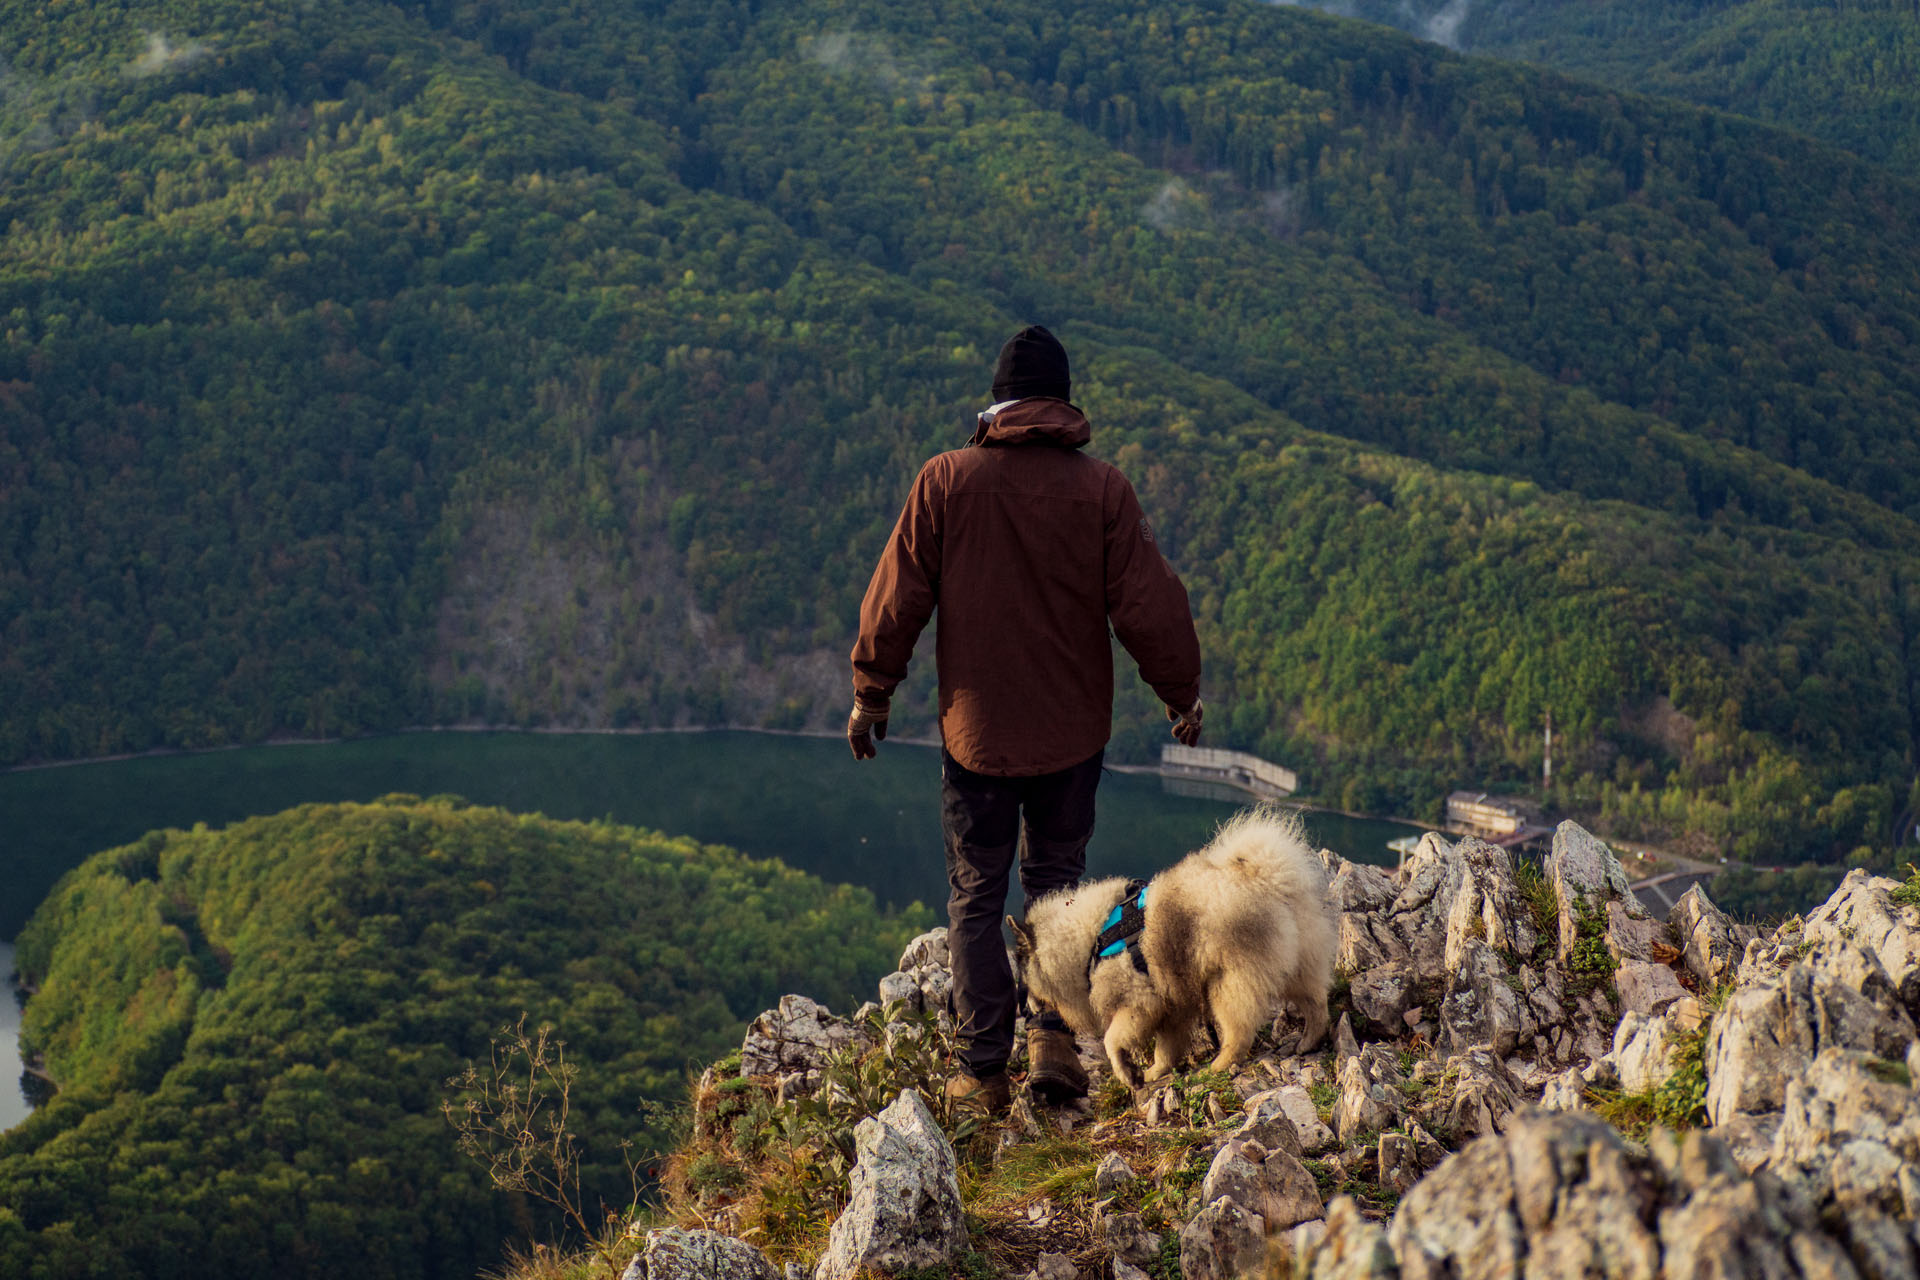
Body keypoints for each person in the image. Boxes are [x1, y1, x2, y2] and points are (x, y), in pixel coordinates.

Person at [847, 325, 1204, 1112]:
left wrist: (873, 691)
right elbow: (1149, 606)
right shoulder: (1102, 491)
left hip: (976, 735)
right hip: (1071, 737)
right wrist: (1180, 695)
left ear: (998, 401)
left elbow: (897, 592)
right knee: (1058, 884)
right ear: (1063, 404)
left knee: (978, 893)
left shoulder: (947, 481)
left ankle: (980, 1072)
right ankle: (1051, 1038)